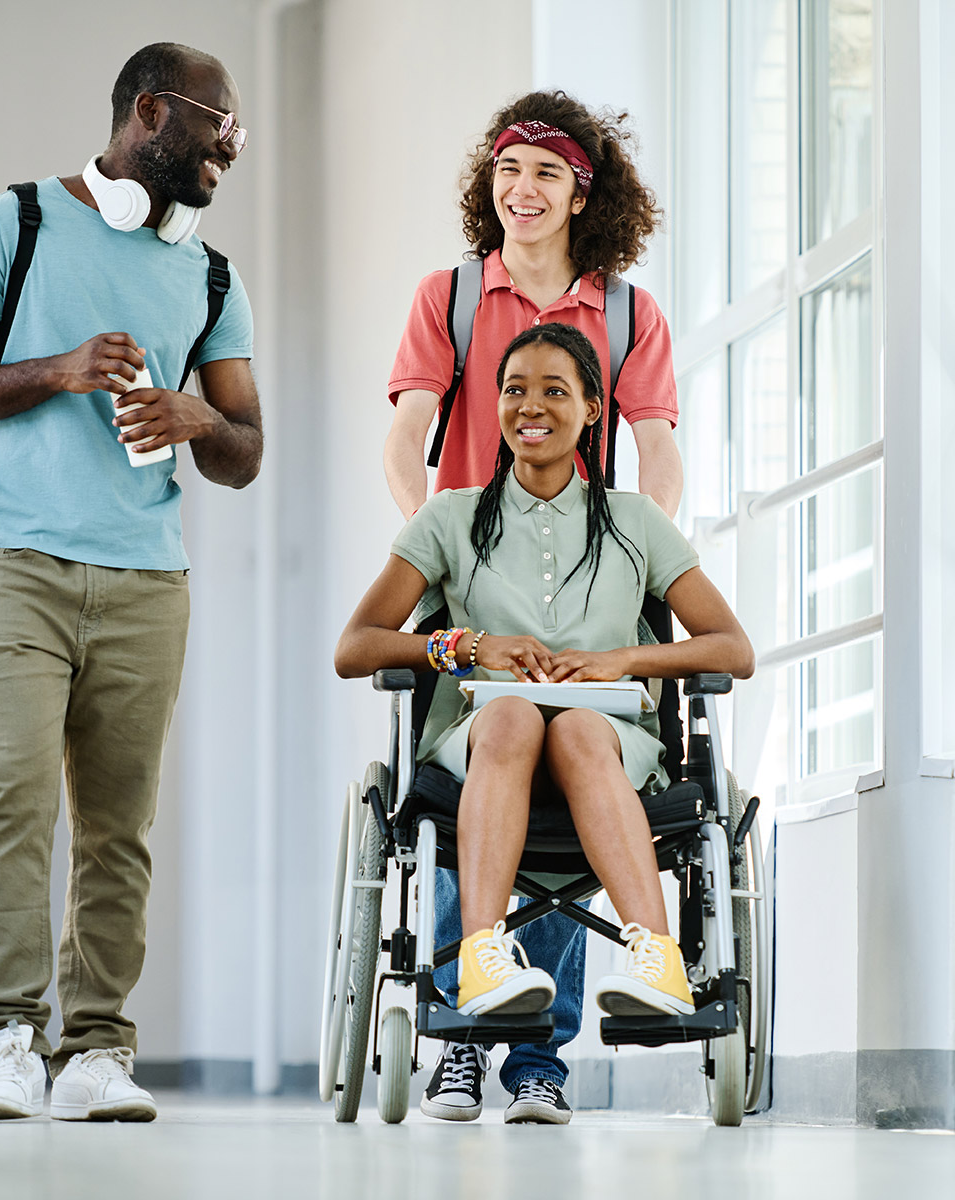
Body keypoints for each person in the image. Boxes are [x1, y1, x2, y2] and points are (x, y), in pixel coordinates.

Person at [0, 42, 261, 1122]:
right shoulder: (9, 223)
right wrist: (58, 368)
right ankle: (11, 1040)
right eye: (218, 124)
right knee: (10, 797)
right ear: (150, 112)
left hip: (148, 580)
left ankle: (97, 1051)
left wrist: (199, 417)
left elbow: (244, 448)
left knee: (118, 824)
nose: (231, 149)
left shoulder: (209, 274)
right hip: (12, 561)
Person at [341, 324, 752, 1122]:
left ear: (594, 410)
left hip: (609, 738)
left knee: (573, 730)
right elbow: (356, 646)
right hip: (483, 737)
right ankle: (485, 962)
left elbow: (731, 647)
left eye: (555, 390)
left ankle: (657, 961)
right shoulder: (449, 517)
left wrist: (621, 660)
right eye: (515, 388)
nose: (531, 406)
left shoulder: (634, 520)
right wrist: (467, 646)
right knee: (513, 719)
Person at [383, 89, 683, 1125]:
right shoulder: (452, 297)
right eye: (509, 169)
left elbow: (658, 448)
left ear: (584, 194)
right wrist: (436, 541)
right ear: (490, 182)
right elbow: (408, 429)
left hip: (589, 577)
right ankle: (463, 1036)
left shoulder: (631, 314)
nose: (524, 189)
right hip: (474, 576)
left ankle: (536, 1054)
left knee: (569, 768)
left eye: (548, 172)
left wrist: (638, 562)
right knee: (483, 765)